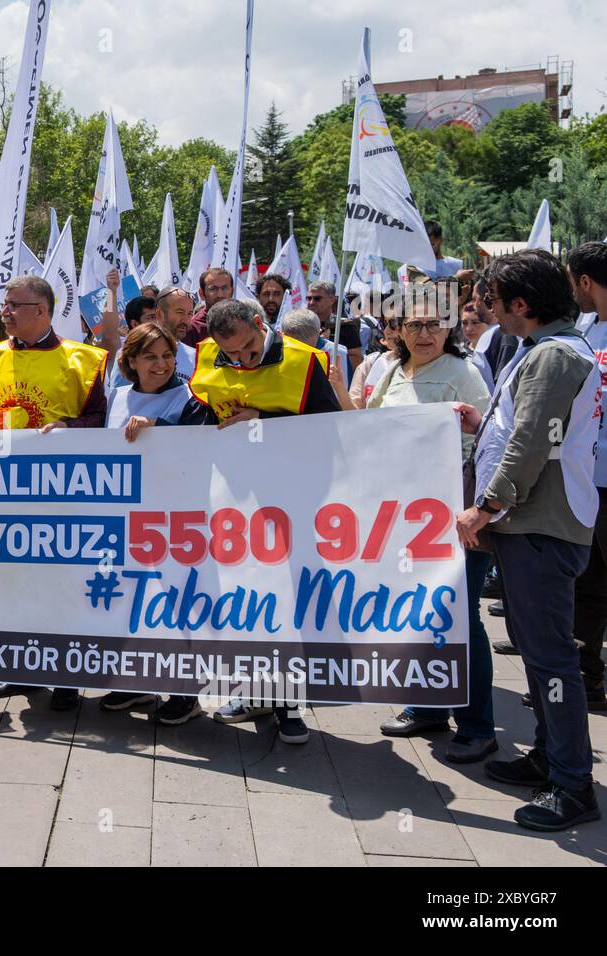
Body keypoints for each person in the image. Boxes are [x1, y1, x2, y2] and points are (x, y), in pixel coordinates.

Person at [455, 249, 601, 831]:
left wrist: (486, 506)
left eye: (492, 302)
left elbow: (534, 442)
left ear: (521, 303)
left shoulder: (554, 355)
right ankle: (550, 756)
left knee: (551, 659)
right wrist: (482, 424)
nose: (489, 312)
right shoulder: (548, 349)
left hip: (541, 525)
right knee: (539, 655)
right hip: (533, 524)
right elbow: (529, 429)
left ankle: (572, 785)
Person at [189, 299, 342, 743]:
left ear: (260, 324)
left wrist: (263, 420)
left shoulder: (304, 360)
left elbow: (328, 428)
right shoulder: (207, 355)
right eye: (232, 354)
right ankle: (253, 692)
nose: (243, 360)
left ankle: (289, 705)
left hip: (289, 502)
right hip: (231, 503)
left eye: (250, 349)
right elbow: (201, 415)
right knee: (244, 600)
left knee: (284, 603)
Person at [0, 276, 108, 711]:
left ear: (42, 311)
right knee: (11, 583)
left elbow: (102, 419)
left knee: (63, 584)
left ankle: (66, 675)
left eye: (14, 305)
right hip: (0, 492)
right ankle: (19, 668)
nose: (4, 312)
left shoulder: (86, 360)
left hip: (63, 493)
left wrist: (70, 427)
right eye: (5, 304)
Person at [368, 293, 495, 762]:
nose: (425, 334)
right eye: (414, 325)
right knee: (421, 610)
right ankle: (428, 706)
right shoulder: (391, 372)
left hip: (455, 513)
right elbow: (368, 428)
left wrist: (479, 509)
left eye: (434, 325)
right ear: (399, 330)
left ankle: (478, 725)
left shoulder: (463, 373)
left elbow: (491, 440)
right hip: (404, 514)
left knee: (461, 615)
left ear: (449, 329)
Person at [97, 322, 211, 724]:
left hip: (174, 523)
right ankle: (139, 682)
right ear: (130, 361)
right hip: (127, 519)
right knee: (132, 602)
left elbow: (200, 447)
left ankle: (186, 692)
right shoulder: (117, 397)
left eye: (167, 355)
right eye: (150, 357)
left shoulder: (190, 399)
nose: (161, 364)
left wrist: (159, 430)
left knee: (175, 604)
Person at [567, 242, 607, 711]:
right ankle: (586, 679)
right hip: (584, 479)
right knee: (587, 583)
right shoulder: (583, 328)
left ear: (584, 281)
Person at [278, 308, 355, 411]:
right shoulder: (276, 353)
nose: (302, 351)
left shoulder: (337, 353)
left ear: (318, 333)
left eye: (307, 344)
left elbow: (345, 398)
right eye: (296, 343)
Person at [306, 280, 363, 373]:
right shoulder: (303, 326)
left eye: (317, 298)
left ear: (331, 300)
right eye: (308, 298)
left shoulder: (345, 327)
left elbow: (357, 360)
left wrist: (328, 346)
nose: (311, 302)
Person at [186, 267, 235, 346]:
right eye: (213, 289)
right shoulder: (192, 328)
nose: (220, 295)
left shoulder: (244, 322)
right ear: (202, 294)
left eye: (224, 288)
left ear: (232, 291)